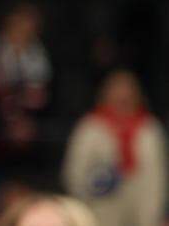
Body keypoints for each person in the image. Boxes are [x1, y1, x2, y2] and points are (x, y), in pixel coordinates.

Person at [62, 70, 166, 226]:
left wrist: (155, 212)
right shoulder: (90, 127)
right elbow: (75, 170)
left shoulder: (149, 128)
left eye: (128, 90)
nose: (123, 96)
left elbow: (158, 176)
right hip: (100, 208)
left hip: (142, 209)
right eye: (117, 90)